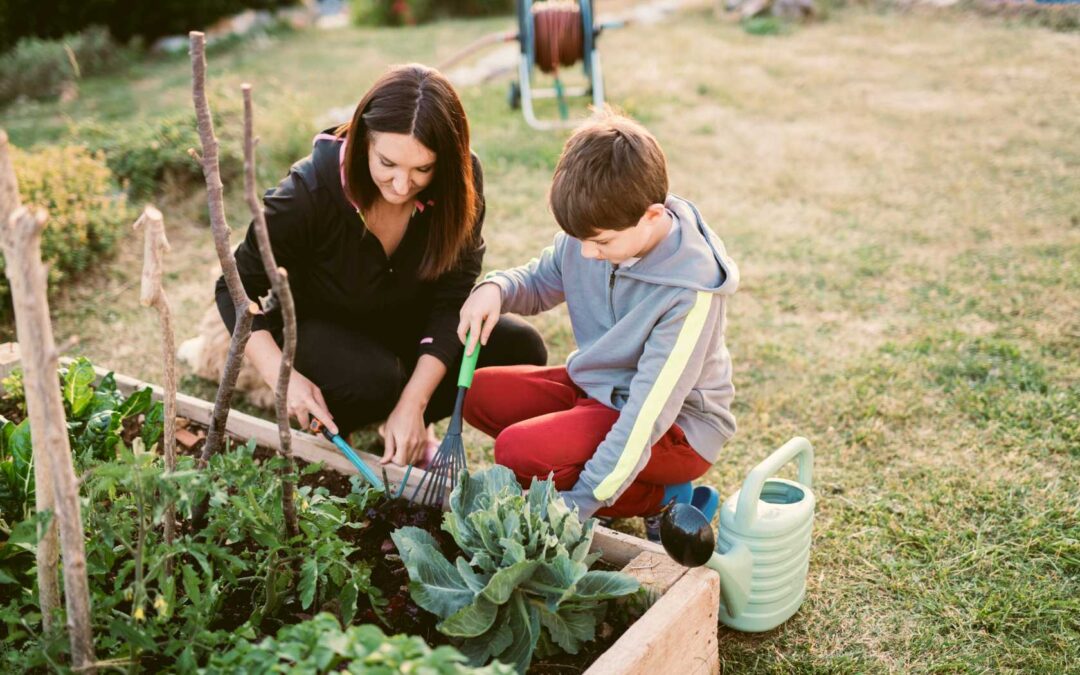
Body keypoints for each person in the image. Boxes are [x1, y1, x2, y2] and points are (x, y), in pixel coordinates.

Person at [215, 64, 547, 468]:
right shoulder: (307, 193)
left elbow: (452, 298)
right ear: (362, 142)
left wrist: (416, 402)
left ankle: (407, 422)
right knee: (375, 380)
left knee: (519, 347)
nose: (402, 186)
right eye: (387, 164)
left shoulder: (460, 182)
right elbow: (233, 287)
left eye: (422, 169)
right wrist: (283, 379)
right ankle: (351, 418)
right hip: (325, 336)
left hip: (410, 327)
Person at [457, 110, 738, 526]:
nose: (587, 253)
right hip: (599, 389)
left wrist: (581, 503)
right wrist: (494, 288)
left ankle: (662, 497)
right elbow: (540, 280)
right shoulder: (597, 232)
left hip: (674, 429)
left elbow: (646, 416)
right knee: (477, 393)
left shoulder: (689, 292)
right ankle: (599, 467)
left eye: (601, 242)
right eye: (580, 239)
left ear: (652, 217)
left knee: (516, 452)